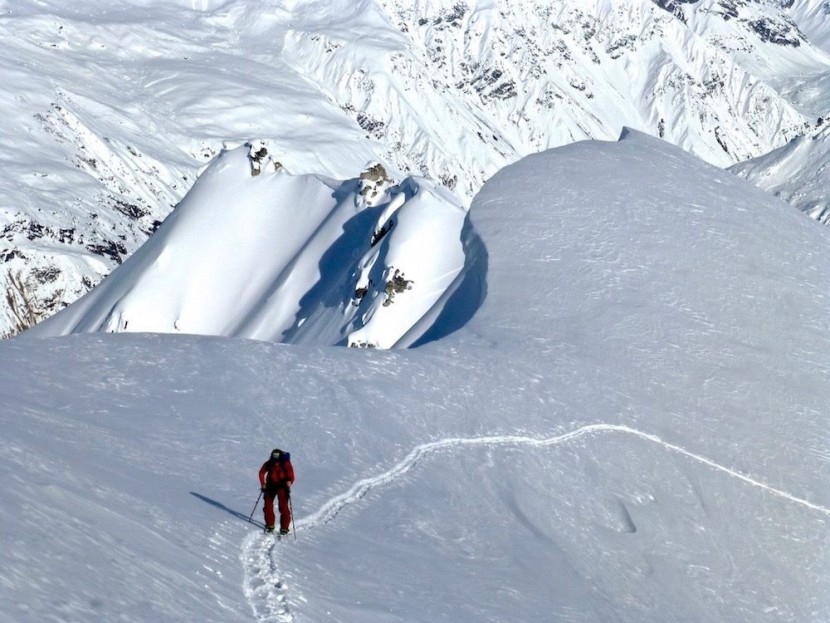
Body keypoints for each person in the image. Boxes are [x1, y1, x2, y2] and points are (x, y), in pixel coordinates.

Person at [258, 448, 295, 535]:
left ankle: (284, 528)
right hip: (270, 485)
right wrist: (263, 483)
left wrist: (290, 482)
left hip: (282, 486)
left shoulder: (286, 464)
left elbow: (291, 475)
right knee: (267, 506)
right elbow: (261, 472)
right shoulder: (269, 463)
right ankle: (270, 525)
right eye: (274, 455)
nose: (275, 458)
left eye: (277, 456)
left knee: (283, 507)